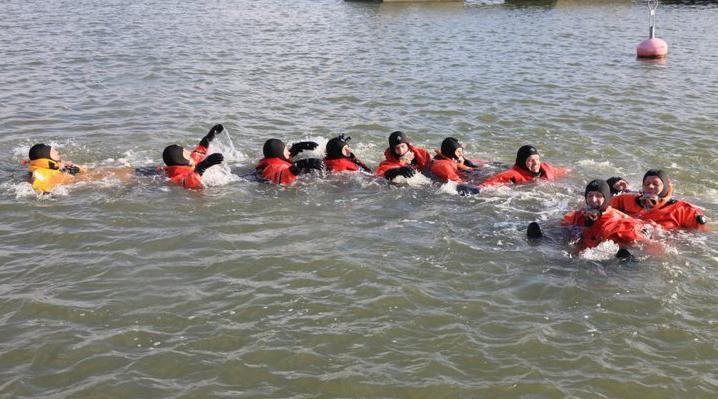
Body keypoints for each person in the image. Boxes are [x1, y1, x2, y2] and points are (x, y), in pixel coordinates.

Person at [562, 179, 652, 252]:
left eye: (598, 196)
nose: (593, 199)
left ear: (607, 198)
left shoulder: (618, 221)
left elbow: (643, 240)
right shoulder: (576, 216)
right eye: (590, 195)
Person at [610, 169, 708, 231]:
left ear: (665, 187)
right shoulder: (626, 199)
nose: (650, 187)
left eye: (656, 184)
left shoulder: (682, 210)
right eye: (647, 184)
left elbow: (702, 230)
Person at [162, 124, 225, 190]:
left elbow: (200, 150)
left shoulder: (189, 161)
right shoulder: (176, 177)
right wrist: (202, 166)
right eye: (185, 152)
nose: (189, 152)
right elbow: (188, 183)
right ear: (181, 159)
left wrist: (209, 136)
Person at [480, 145, 567, 188]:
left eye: (537, 159)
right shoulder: (511, 175)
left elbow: (566, 171)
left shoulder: (547, 168)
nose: (536, 163)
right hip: (489, 171)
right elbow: (485, 186)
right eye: (531, 160)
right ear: (522, 162)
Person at [256, 139, 323, 185]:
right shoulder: (274, 168)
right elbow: (282, 177)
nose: (289, 152)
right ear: (280, 153)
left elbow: (282, 158)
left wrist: (296, 148)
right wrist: (301, 164)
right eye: (286, 151)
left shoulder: (269, 161)